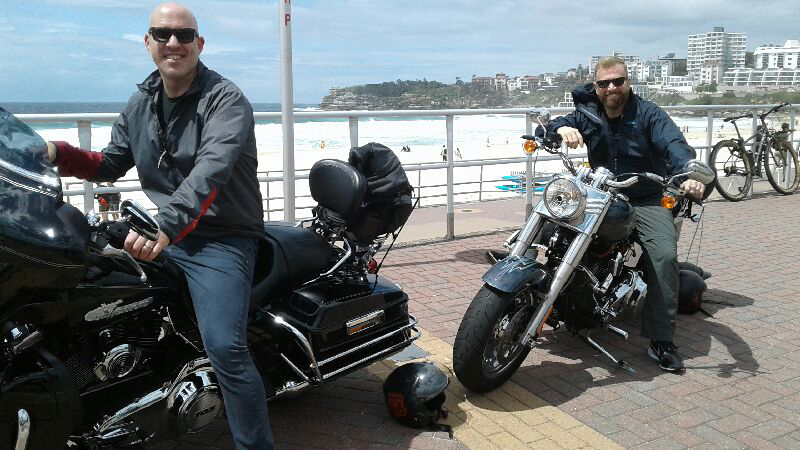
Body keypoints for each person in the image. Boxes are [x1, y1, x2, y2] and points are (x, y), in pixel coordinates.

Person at [45, 3, 274, 448]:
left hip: (219, 238)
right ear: (147, 43)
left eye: (184, 35)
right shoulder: (140, 103)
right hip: (163, 229)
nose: (174, 43)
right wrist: (54, 153)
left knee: (226, 349)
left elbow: (211, 171)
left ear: (199, 44)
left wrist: (165, 227)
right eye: (163, 34)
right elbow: (109, 163)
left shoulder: (225, 100)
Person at [545, 56, 705, 373]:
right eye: (604, 83)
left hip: (647, 197)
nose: (611, 88)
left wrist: (689, 175)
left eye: (618, 81)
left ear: (628, 83)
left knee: (662, 256)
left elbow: (675, 146)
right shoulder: (587, 113)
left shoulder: (649, 115)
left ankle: (661, 339)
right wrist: (561, 128)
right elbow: (552, 126)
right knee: (554, 220)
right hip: (601, 192)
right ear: (596, 87)